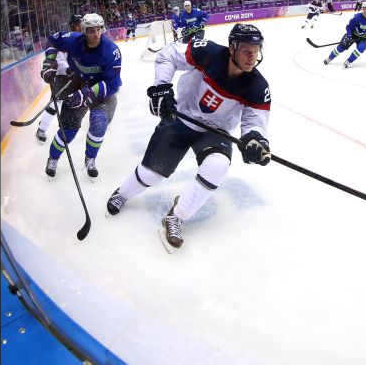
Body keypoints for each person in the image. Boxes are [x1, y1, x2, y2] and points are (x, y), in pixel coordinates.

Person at [105, 23, 271, 252]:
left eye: (256, 49)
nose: (252, 56)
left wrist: (255, 140)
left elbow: (255, 122)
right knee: (151, 173)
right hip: (182, 117)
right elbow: (168, 55)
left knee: (218, 166)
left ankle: (176, 216)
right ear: (232, 48)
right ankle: (122, 193)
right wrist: (161, 87)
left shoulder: (258, 86)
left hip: (215, 130)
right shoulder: (209, 52)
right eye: (246, 49)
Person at [41, 13, 123, 179]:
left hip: (103, 93)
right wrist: (49, 62)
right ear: (84, 31)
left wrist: (88, 93)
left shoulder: (112, 51)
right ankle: (53, 158)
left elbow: (113, 84)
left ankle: (90, 158)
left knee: (99, 123)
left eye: (98, 29)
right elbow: (52, 40)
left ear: (103, 29)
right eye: (91, 30)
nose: (95, 33)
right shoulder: (72, 39)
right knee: (68, 128)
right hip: (79, 84)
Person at [36, 14, 82, 143]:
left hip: (77, 77)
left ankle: (69, 125)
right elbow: (59, 60)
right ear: (72, 25)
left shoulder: (83, 39)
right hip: (62, 77)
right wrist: (69, 70)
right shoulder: (65, 39)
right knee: (57, 103)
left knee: (79, 100)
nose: (80, 27)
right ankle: (42, 128)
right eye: (78, 24)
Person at [323, 1, 366, 69]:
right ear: (362, 9)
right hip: (353, 35)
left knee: (361, 48)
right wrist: (348, 36)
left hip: (363, 38)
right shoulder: (356, 17)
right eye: (365, 9)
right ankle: (330, 58)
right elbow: (349, 27)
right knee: (342, 47)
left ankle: (348, 61)